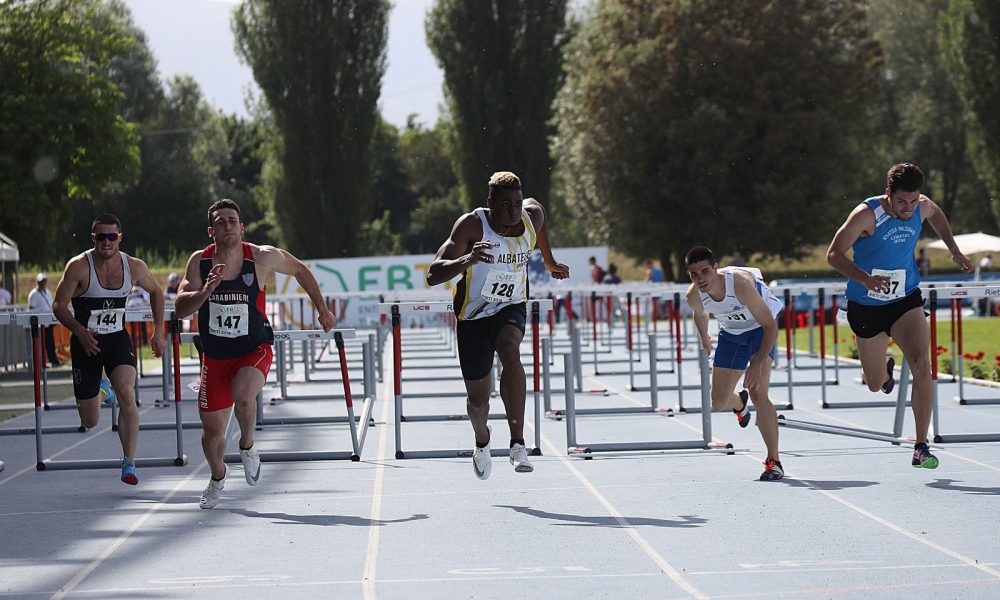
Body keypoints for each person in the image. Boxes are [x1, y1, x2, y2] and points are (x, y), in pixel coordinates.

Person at [174, 198, 335, 509]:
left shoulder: (261, 257)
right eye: (220, 222)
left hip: (253, 349)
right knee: (211, 435)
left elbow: (300, 270)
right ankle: (218, 475)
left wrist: (322, 309)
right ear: (212, 230)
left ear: (242, 227)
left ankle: (247, 445)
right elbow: (181, 308)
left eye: (232, 220)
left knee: (244, 394)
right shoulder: (200, 261)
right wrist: (205, 291)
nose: (227, 225)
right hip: (216, 357)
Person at [827, 163, 971, 469]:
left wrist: (954, 250)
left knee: (921, 362)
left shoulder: (921, 206)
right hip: (867, 306)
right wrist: (865, 279)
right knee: (874, 383)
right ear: (889, 194)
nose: (908, 208)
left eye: (913, 200)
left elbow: (938, 215)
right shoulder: (867, 215)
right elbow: (833, 254)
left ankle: (921, 445)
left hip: (905, 299)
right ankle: (885, 371)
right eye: (902, 202)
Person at [427, 171, 569, 480]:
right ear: (490, 203)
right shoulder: (472, 225)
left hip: (511, 304)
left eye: (517, 203)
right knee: (477, 402)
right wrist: (467, 260)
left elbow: (539, 232)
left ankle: (518, 444)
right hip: (473, 316)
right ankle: (482, 441)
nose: (513, 211)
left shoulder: (533, 215)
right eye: (505, 205)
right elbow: (433, 274)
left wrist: (548, 260)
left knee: (509, 348)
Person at [51, 214, 165, 485]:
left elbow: (157, 292)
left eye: (111, 237)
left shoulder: (133, 266)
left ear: (119, 238)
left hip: (116, 339)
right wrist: (79, 331)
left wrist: (159, 331)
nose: (106, 242)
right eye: (100, 237)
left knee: (127, 394)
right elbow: (58, 304)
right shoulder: (78, 267)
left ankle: (129, 463)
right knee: (90, 421)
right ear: (93, 238)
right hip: (86, 342)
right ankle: (103, 390)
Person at [685, 246, 785, 481]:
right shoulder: (693, 295)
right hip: (731, 334)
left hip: (760, 329)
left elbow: (771, 327)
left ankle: (774, 461)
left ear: (716, 268)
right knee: (718, 402)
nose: (701, 279)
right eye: (694, 274)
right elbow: (700, 313)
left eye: (705, 271)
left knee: (759, 391)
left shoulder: (739, 285)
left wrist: (757, 363)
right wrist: (704, 339)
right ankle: (739, 403)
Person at [28, 273, 61, 367]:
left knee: (50, 342)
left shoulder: (48, 292)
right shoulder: (34, 294)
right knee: (41, 344)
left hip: (48, 322)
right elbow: (31, 308)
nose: (43, 283)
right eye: (41, 281)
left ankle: (53, 360)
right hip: (39, 323)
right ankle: (42, 361)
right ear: (38, 282)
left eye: (44, 281)